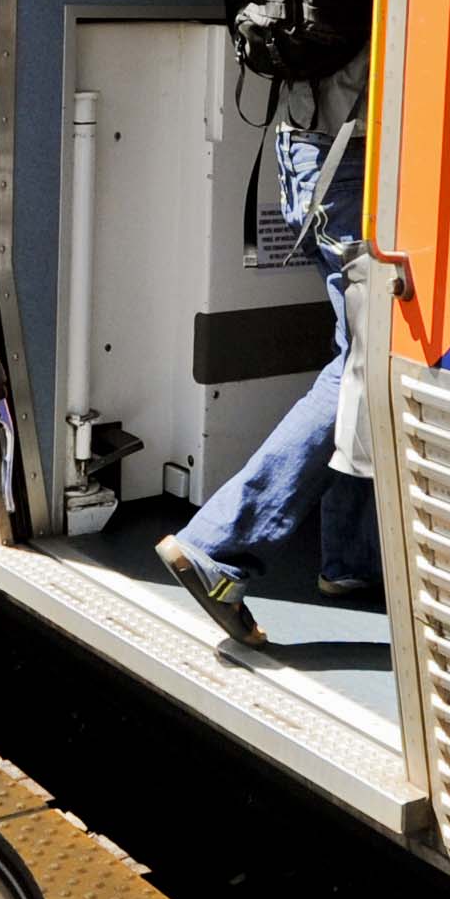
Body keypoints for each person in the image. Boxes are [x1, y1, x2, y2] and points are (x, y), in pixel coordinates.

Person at [158, 113, 383, 646]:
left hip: (313, 152)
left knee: (359, 348)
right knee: (369, 366)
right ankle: (219, 546)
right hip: (355, 158)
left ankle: (350, 560)